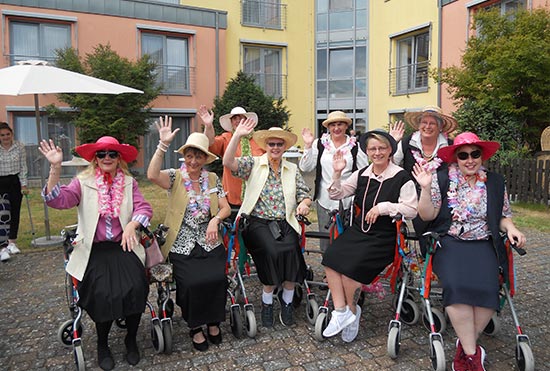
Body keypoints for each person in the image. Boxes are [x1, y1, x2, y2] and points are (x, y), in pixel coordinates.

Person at [412, 132, 526, 371]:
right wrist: (425, 188)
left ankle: (464, 346)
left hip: (484, 243)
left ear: (482, 156)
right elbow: (427, 215)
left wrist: (512, 229)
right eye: (463, 155)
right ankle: (473, 357)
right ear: (456, 158)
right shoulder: (442, 179)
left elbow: (503, 216)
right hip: (450, 243)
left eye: (475, 154)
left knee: (489, 290)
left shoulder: (495, 182)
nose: (470, 160)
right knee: (456, 286)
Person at [38, 136, 152, 370]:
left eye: (112, 153)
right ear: (95, 158)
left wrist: (132, 225)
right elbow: (57, 200)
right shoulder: (83, 182)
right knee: (102, 292)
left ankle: (131, 338)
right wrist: (55, 167)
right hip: (93, 249)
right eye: (102, 154)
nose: (107, 158)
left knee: (136, 285)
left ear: (119, 158)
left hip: (124, 245)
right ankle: (103, 344)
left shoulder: (129, 183)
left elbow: (143, 207)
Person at [321, 130, 417, 343]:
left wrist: (383, 207)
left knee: (349, 271)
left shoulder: (401, 176)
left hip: (383, 237)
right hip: (358, 231)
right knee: (330, 259)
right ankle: (341, 311)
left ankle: (353, 312)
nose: (377, 152)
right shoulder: (362, 173)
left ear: (390, 149)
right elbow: (336, 194)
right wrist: (337, 174)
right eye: (373, 148)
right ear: (366, 151)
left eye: (382, 148)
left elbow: (411, 209)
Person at [147, 116, 231, 352]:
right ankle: (195, 327)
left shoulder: (212, 178)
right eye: (190, 156)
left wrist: (215, 219)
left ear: (205, 159)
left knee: (217, 279)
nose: (193, 161)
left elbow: (225, 207)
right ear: (185, 157)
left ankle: (214, 322)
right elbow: (152, 175)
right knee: (192, 283)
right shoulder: (175, 177)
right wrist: (162, 145)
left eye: (198, 156)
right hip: (181, 243)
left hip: (210, 242)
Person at [223, 122, 312, 327]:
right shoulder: (254, 163)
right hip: (257, 223)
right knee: (272, 251)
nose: (275, 148)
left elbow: (304, 195)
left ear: (284, 147)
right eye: (271, 144)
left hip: (284, 221)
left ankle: (287, 302)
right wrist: (237, 135)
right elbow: (228, 162)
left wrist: (304, 204)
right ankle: (267, 302)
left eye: (279, 144)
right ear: (266, 146)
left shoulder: (291, 169)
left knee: (291, 250)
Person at [299, 111, 369, 252]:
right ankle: (328, 271)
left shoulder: (355, 146)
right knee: (326, 239)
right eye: (333, 125)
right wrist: (307, 145)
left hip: (348, 200)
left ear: (346, 126)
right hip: (325, 199)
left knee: (348, 239)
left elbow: (364, 172)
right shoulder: (319, 144)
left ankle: (345, 270)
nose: (336, 128)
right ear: (328, 127)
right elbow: (305, 167)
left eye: (340, 124)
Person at [393, 105, 458, 250]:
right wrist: (392, 142)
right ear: (419, 124)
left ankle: (442, 266)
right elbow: (391, 165)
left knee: (444, 237)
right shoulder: (406, 143)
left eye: (432, 123)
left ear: (440, 127)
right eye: (424, 122)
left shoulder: (450, 145)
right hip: (417, 198)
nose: (427, 126)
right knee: (424, 237)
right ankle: (427, 265)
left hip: (446, 199)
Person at [201, 105, 265, 209]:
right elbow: (209, 143)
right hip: (232, 198)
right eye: (234, 118)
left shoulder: (259, 139)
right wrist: (208, 126)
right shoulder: (226, 138)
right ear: (231, 122)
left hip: (257, 198)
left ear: (246, 120)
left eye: (240, 118)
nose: (237, 121)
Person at [0, 122, 27, 261]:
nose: (5, 137)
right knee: (3, 214)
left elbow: (23, 167)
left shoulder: (19, 147)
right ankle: (2, 247)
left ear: (12, 134)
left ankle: (12, 242)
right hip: (0, 182)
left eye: (7, 134)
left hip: (14, 182)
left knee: (14, 212)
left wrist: (24, 185)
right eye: (2, 135)